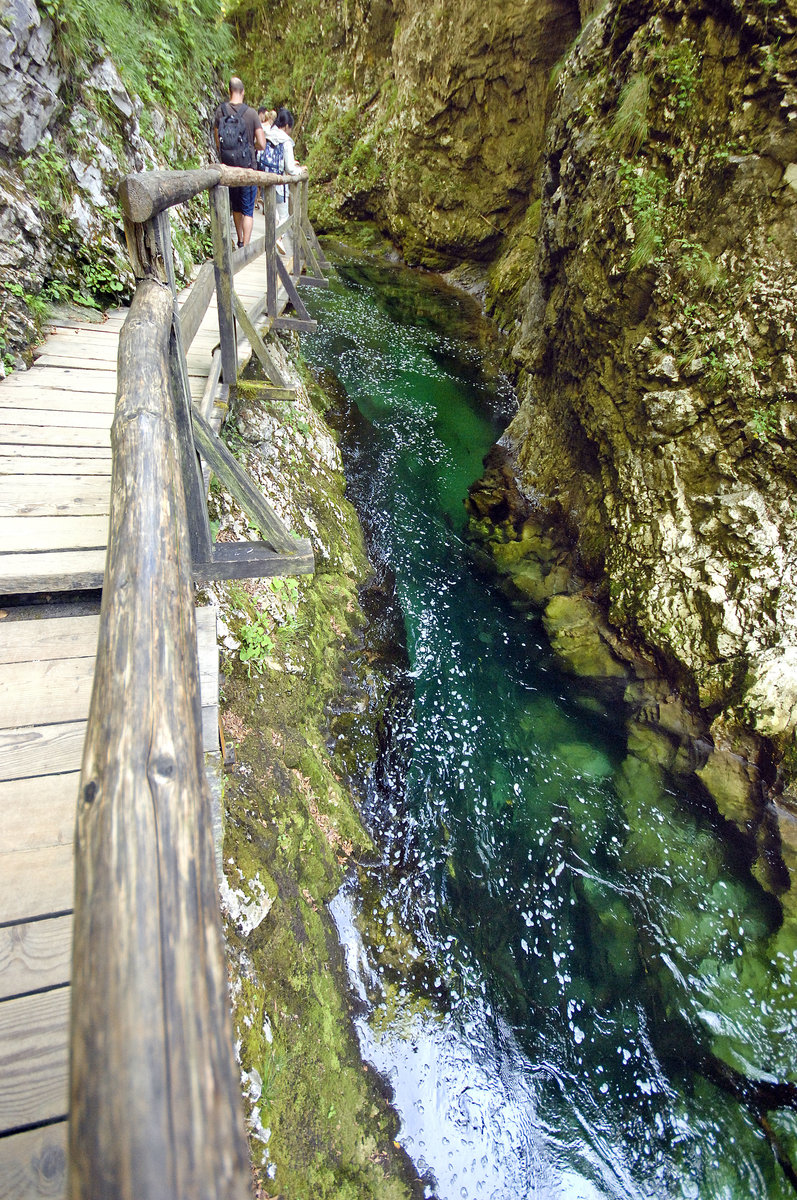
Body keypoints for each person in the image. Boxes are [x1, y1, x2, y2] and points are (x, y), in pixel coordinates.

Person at [213, 76, 265, 248]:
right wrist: (252, 146)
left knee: (236, 207)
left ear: (229, 91)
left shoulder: (221, 111)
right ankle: (247, 247)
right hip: (248, 167)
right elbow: (262, 143)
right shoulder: (251, 114)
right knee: (248, 210)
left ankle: (240, 240)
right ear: (243, 92)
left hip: (229, 169)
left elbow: (217, 141)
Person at [264, 108, 302, 258]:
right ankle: (277, 238)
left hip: (265, 180)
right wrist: (299, 169)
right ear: (286, 125)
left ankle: (271, 239)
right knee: (284, 215)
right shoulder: (285, 141)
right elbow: (290, 169)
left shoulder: (267, 134)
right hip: (280, 183)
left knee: (271, 213)